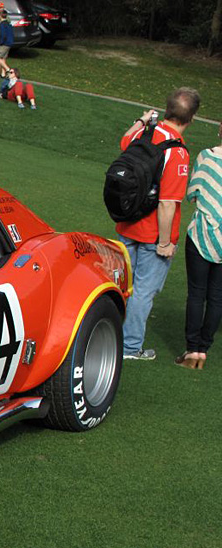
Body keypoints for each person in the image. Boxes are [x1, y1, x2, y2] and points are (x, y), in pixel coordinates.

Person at [116, 88, 200, 361]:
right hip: (154, 234)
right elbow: (167, 203)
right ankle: (129, 347)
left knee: (123, 285)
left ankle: (111, 333)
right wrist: (165, 242)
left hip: (128, 222)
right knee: (143, 292)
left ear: (166, 109)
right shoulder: (177, 152)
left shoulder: (145, 133)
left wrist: (142, 120)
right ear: (192, 118)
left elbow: (125, 142)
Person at [176, 122, 222, 369]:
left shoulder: (207, 157)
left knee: (197, 292)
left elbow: (192, 192)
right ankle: (204, 349)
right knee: (216, 296)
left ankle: (192, 349)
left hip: (201, 234)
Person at [0, 7, 12, 78]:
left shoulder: (2, 24)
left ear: (0, 16)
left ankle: (8, 69)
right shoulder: (8, 24)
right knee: (3, 58)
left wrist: (1, 42)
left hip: (4, 43)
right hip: (9, 43)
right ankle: (3, 73)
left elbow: (3, 34)